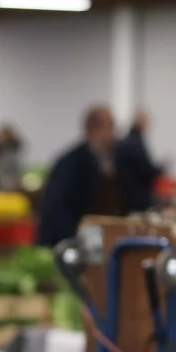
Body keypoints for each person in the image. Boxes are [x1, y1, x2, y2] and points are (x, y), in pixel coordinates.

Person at [37, 105, 152, 247]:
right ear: (90, 129)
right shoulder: (70, 163)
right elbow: (56, 209)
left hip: (112, 238)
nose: (113, 132)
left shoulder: (120, 158)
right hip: (81, 242)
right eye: (108, 126)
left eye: (113, 125)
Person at [116, 110, 163, 204]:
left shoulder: (127, 140)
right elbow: (145, 169)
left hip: (125, 194)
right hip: (137, 195)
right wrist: (160, 169)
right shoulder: (136, 143)